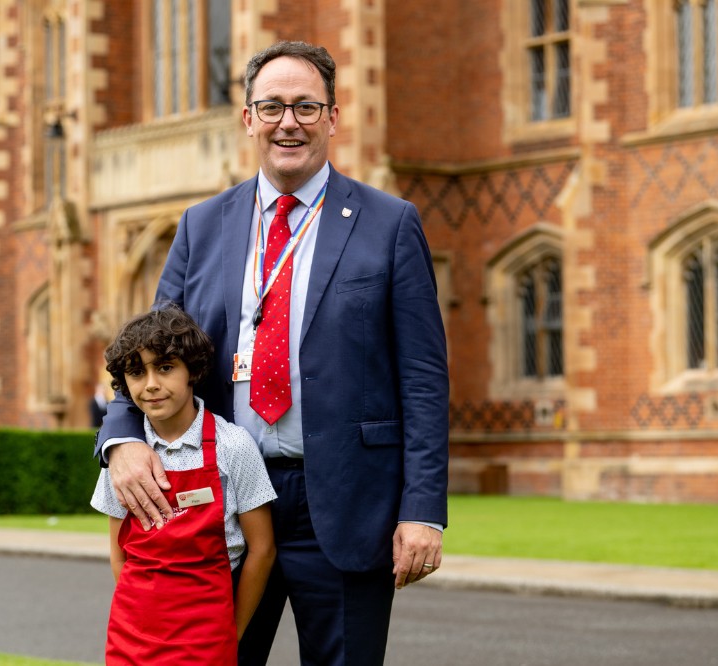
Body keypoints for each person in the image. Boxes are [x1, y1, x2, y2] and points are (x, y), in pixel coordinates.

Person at [95, 40, 449, 665]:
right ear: (248, 118)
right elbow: (147, 350)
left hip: (344, 500)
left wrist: (423, 510)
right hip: (221, 499)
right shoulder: (202, 224)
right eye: (273, 106)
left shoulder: (390, 223)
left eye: (306, 107)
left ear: (333, 118)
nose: (289, 122)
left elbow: (423, 377)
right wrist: (121, 439)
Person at [91, 305, 277, 665]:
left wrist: (233, 630)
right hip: (132, 637)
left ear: (192, 369)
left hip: (208, 635)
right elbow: (119, 554)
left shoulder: (233, 446)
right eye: (136, 372)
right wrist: (142, 617)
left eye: (164, 367)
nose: (151, 384)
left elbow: (263, 550)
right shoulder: (122, 459)